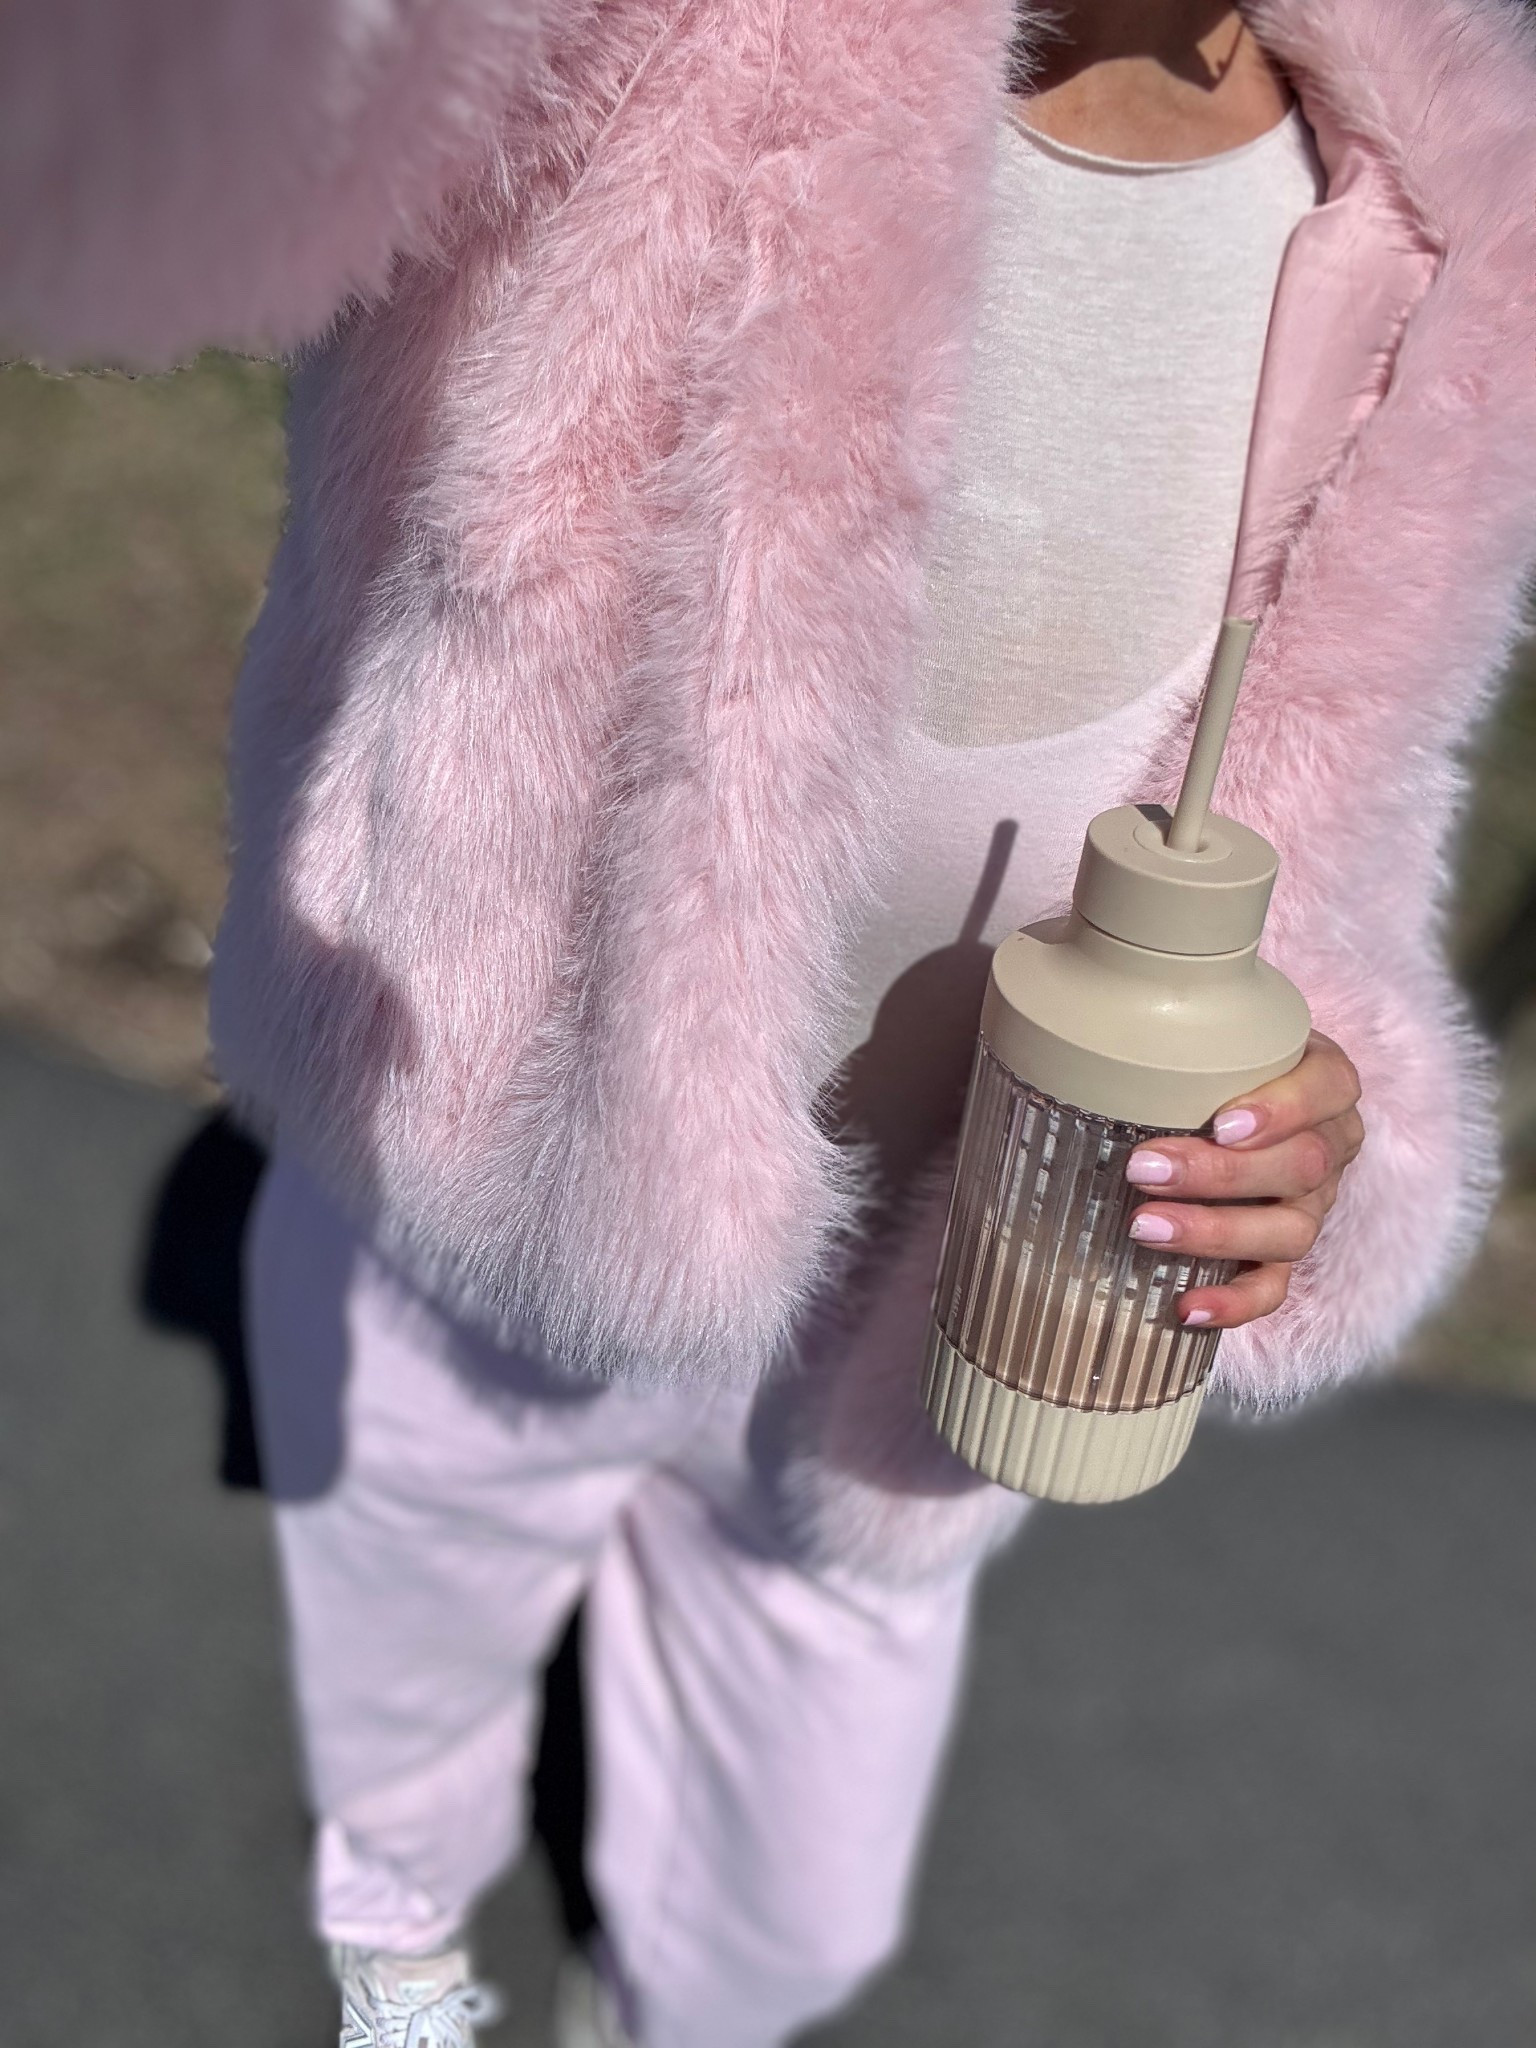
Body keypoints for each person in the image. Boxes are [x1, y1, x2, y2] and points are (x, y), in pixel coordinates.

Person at [4, 0, 1533, 2042]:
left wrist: (1318, 1151)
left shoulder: (1449, 214)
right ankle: (400, 1945)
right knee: (397, 1678)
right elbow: (138, 129)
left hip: (953, 1300)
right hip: (494, 1175)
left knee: (784, 1922)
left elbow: (1341, 842)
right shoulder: (669, 34)